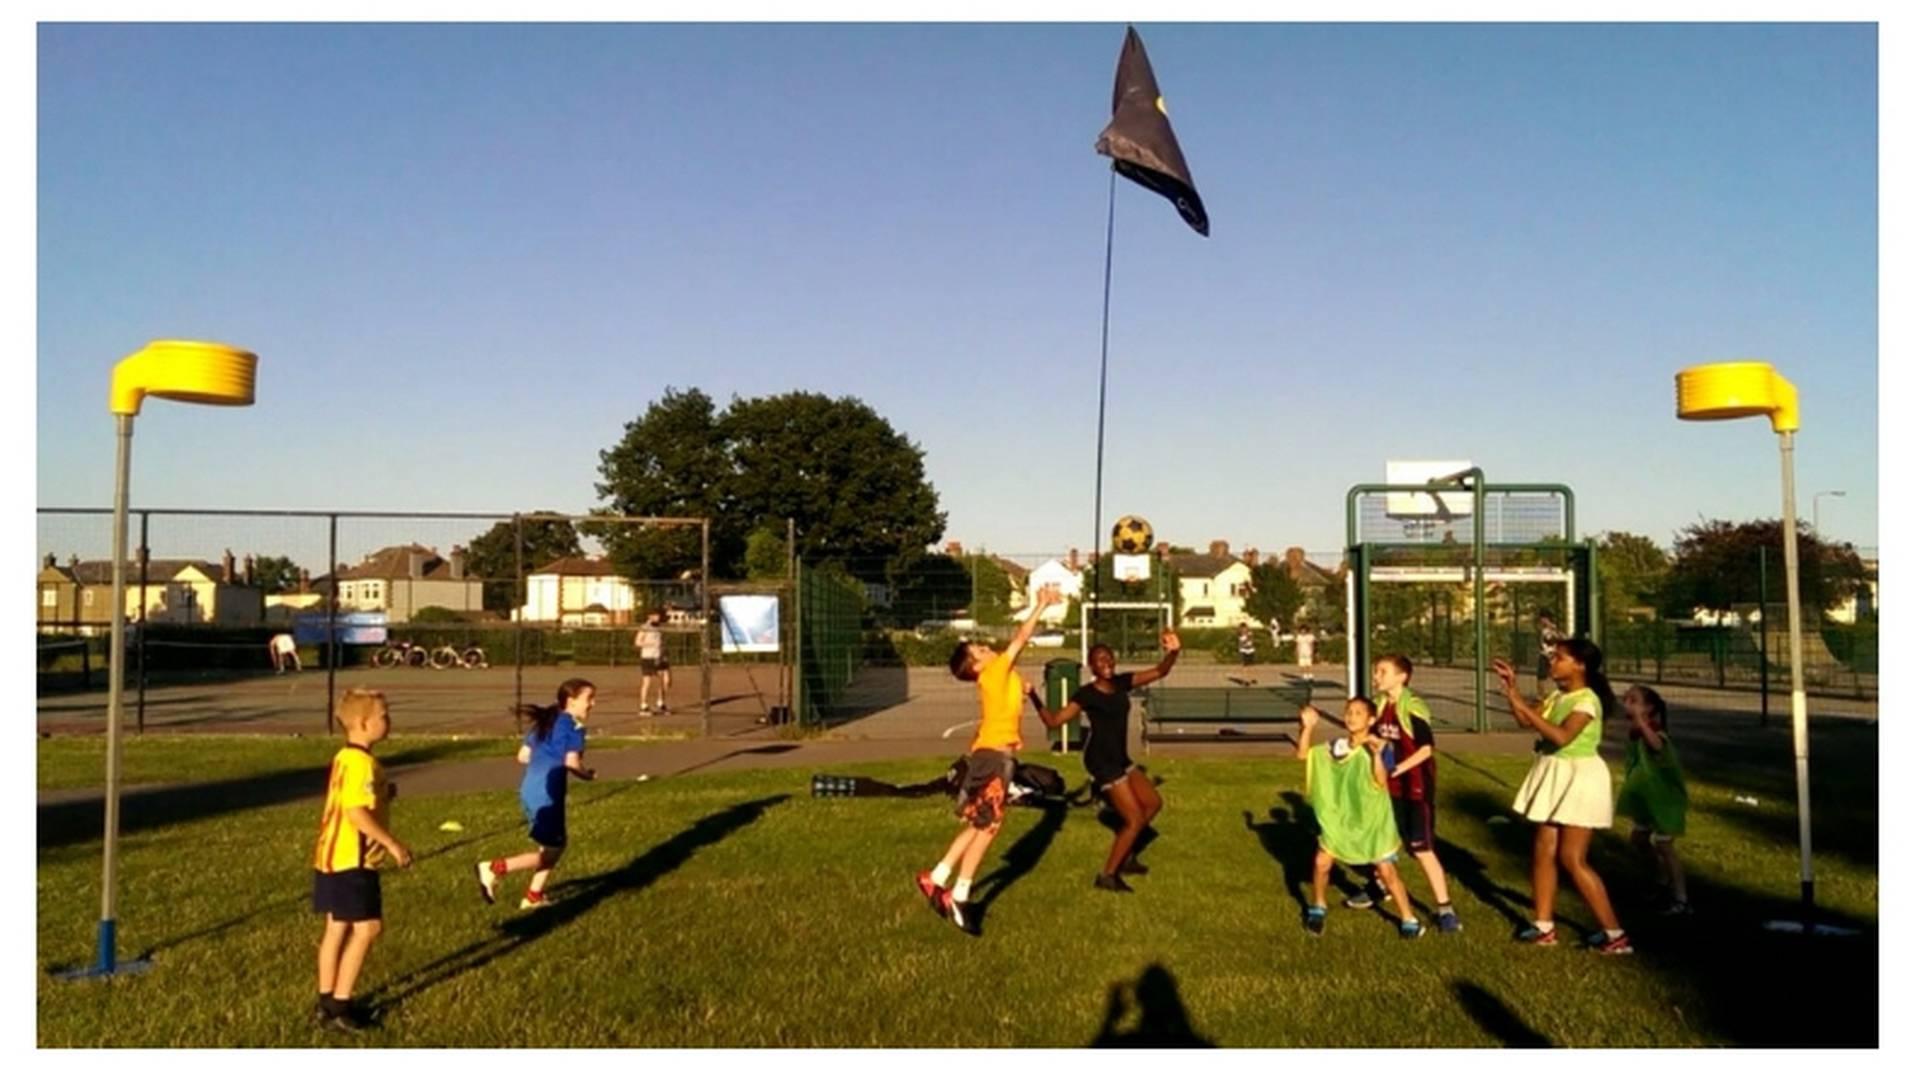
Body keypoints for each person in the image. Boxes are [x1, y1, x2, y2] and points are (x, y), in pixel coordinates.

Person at [914, 583, 1062, 935]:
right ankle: (959, 896)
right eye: (980, 649)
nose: (987, 647)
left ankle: (935, 878)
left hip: (992, 755)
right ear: (977, 667)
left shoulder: (1003, 676)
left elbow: (1013, 689)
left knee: (979, 822)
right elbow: (1021, 637)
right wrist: (1039, 605)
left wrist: (1025, 690)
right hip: (993, 756)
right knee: (989, 827)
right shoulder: (994, 672)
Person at [1493, 640, 1631, 954]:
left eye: (1560, 658)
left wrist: (1527, 706)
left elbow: (1561, 736)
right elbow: (1524, 722)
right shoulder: (1559, 695)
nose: (1552, 662)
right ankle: (1544, 927)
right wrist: (1513, 692)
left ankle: (1615, 935)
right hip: (1554, 773)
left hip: (1579, 778)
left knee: (1572, 858)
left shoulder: (1587, 701)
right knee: (1543, 851)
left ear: (1580, 665)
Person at [1029, 628, 1182, 891]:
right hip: (1100, 760)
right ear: (1092, 666)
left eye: (1109, 658)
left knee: (1153, 803)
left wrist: (1174, 652)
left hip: (1119, 757)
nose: (1107, 663)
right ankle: (1108, 875)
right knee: (1134, 819)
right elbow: (1053, 720)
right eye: (1100, 660)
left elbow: (1160, 671)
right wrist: (1032, 694)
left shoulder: (1122, 682)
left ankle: (1128, 854)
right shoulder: (1086, 694)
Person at [311, 688, 412, 1032]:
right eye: (384, 715)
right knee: (368, 928)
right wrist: (392, 843)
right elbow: (355, 812)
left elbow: (353, 798)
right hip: (353, 859)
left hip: (330, 855)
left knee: (336, 927)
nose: (389, 720)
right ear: (364, 723)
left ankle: (326, 1001)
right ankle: (341, 1006)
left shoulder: (345, 757)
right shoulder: (362, 763)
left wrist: (384, 794)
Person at [1342, 655, 1461, 932]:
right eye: (1375, 672)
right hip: (1389, 788)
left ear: (1402, 677)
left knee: (1421, 849)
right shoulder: (1382, 706)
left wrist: (1396, 769)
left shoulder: (1414, 707)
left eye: (1382, 672)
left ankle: (1445, 910)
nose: (1376, 676)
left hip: (1415, 788)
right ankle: (1378, 887)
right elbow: (1381, 740)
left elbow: (1426, 749)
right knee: (1379, 841)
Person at [1295, 698, 1425, 939]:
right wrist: (1308, 727)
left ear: (1371, 720)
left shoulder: (1381, 746)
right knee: (1322, 862)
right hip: (1342, 819)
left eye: (1358, 713)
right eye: (1348, 712)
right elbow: (1304, 755)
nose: (1351, 717)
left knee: (1386, 871)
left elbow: (1380, 782)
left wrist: (1375, 755)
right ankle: (1318, 907)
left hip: (1372, 821)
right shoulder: (1337, 746)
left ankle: (1409, 919)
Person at [476, 679, 598, 910]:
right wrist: (588, 775)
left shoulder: (547, 721)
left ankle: (533, 896)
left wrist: (545, 759)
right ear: (571, 701)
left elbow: (522, 756)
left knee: (549, 846)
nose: (593, 704)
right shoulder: (575, 728)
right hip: (548, 793)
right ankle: (495, 868)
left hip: (529, 789)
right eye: (589, 698)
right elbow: (572, 763)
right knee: (555, 848)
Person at [1619, 684, 1691, 915]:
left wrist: (1641, 722)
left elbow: (1657, 746)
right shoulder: (1635, 733)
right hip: (1647, 800)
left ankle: (1681, 898)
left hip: (1664, 802)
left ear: (1648, 708)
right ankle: (1661, 878)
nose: (1627, 703)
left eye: (1633, 700)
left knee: (1664, 844)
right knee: (1639, 839)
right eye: (1626, 699)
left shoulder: (1655, 732)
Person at [635, 611, 670, 715]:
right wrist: (650, 644)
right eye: (655, 616)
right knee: (647, 682)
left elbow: (661, 642)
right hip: (648, 657)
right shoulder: (645, 627)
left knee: (665, 681)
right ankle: (643, 705)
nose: (657, 617)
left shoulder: (659, 628)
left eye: (658, 615)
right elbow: (637, 642)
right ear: (650, 616)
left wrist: (664, 654)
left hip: (659, 657)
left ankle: (661, 702)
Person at [1534, 611, 1563, 695]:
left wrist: (1554, 630)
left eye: (1543, 619)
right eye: (1541, 619)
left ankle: (1561, 693)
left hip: (1552, 655)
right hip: (1544, 654)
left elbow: (1561, 637)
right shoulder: (1541, 629)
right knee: (1540, 676)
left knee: (1557, 675)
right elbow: (1542, 640)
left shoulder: (1554, 628)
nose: (1542, 621)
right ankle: (1541, 696)